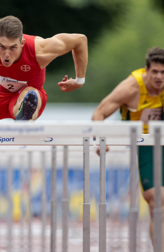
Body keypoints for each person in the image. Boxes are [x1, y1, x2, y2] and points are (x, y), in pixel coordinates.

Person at [92, 47, 164, 248]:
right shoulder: (131, 87)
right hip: (146, 141)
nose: (159, 77)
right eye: (155, 72)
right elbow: (98, 113)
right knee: (156, 202)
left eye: (163, 73)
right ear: (146, 71)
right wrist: (101, 139)